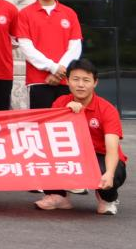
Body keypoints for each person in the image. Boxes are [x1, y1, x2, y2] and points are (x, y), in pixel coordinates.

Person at [38, 59, 126, 215]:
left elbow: (112, 149)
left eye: (86, 80)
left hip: (100, 155)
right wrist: (65, 113)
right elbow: (48, 137)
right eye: (76, 79)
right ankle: (58, 196)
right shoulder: (60, 103)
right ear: (67, 81)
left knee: (110, 172)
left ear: (95, 83)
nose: (80, 85)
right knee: (39, 156)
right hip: (71, 154)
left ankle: (107, 198)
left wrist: (109, 174)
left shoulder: (107, 109)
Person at [16, 0, 82, 109]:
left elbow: (75, 46)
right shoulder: (25, 14)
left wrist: (59, 72)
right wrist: (53, 67)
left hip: (65, 80)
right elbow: (26, 47)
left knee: (65, 119)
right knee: (41, 120)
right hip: (38, 80)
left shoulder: (69, 13)